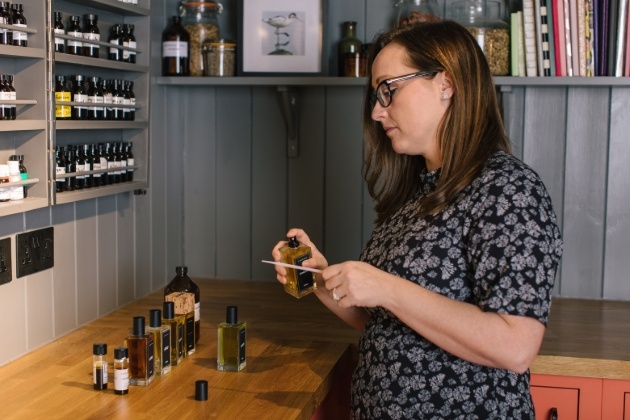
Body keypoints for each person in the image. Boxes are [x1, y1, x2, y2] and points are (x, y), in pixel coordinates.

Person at [271, 20, 563, 419]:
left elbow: (515, 347)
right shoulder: (419, 190)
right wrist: (321, 281)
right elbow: (388, 324)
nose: (377, 111)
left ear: (446, 84)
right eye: (376, 95)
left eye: (388, 89)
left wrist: (387, 288)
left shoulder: (509, 190)